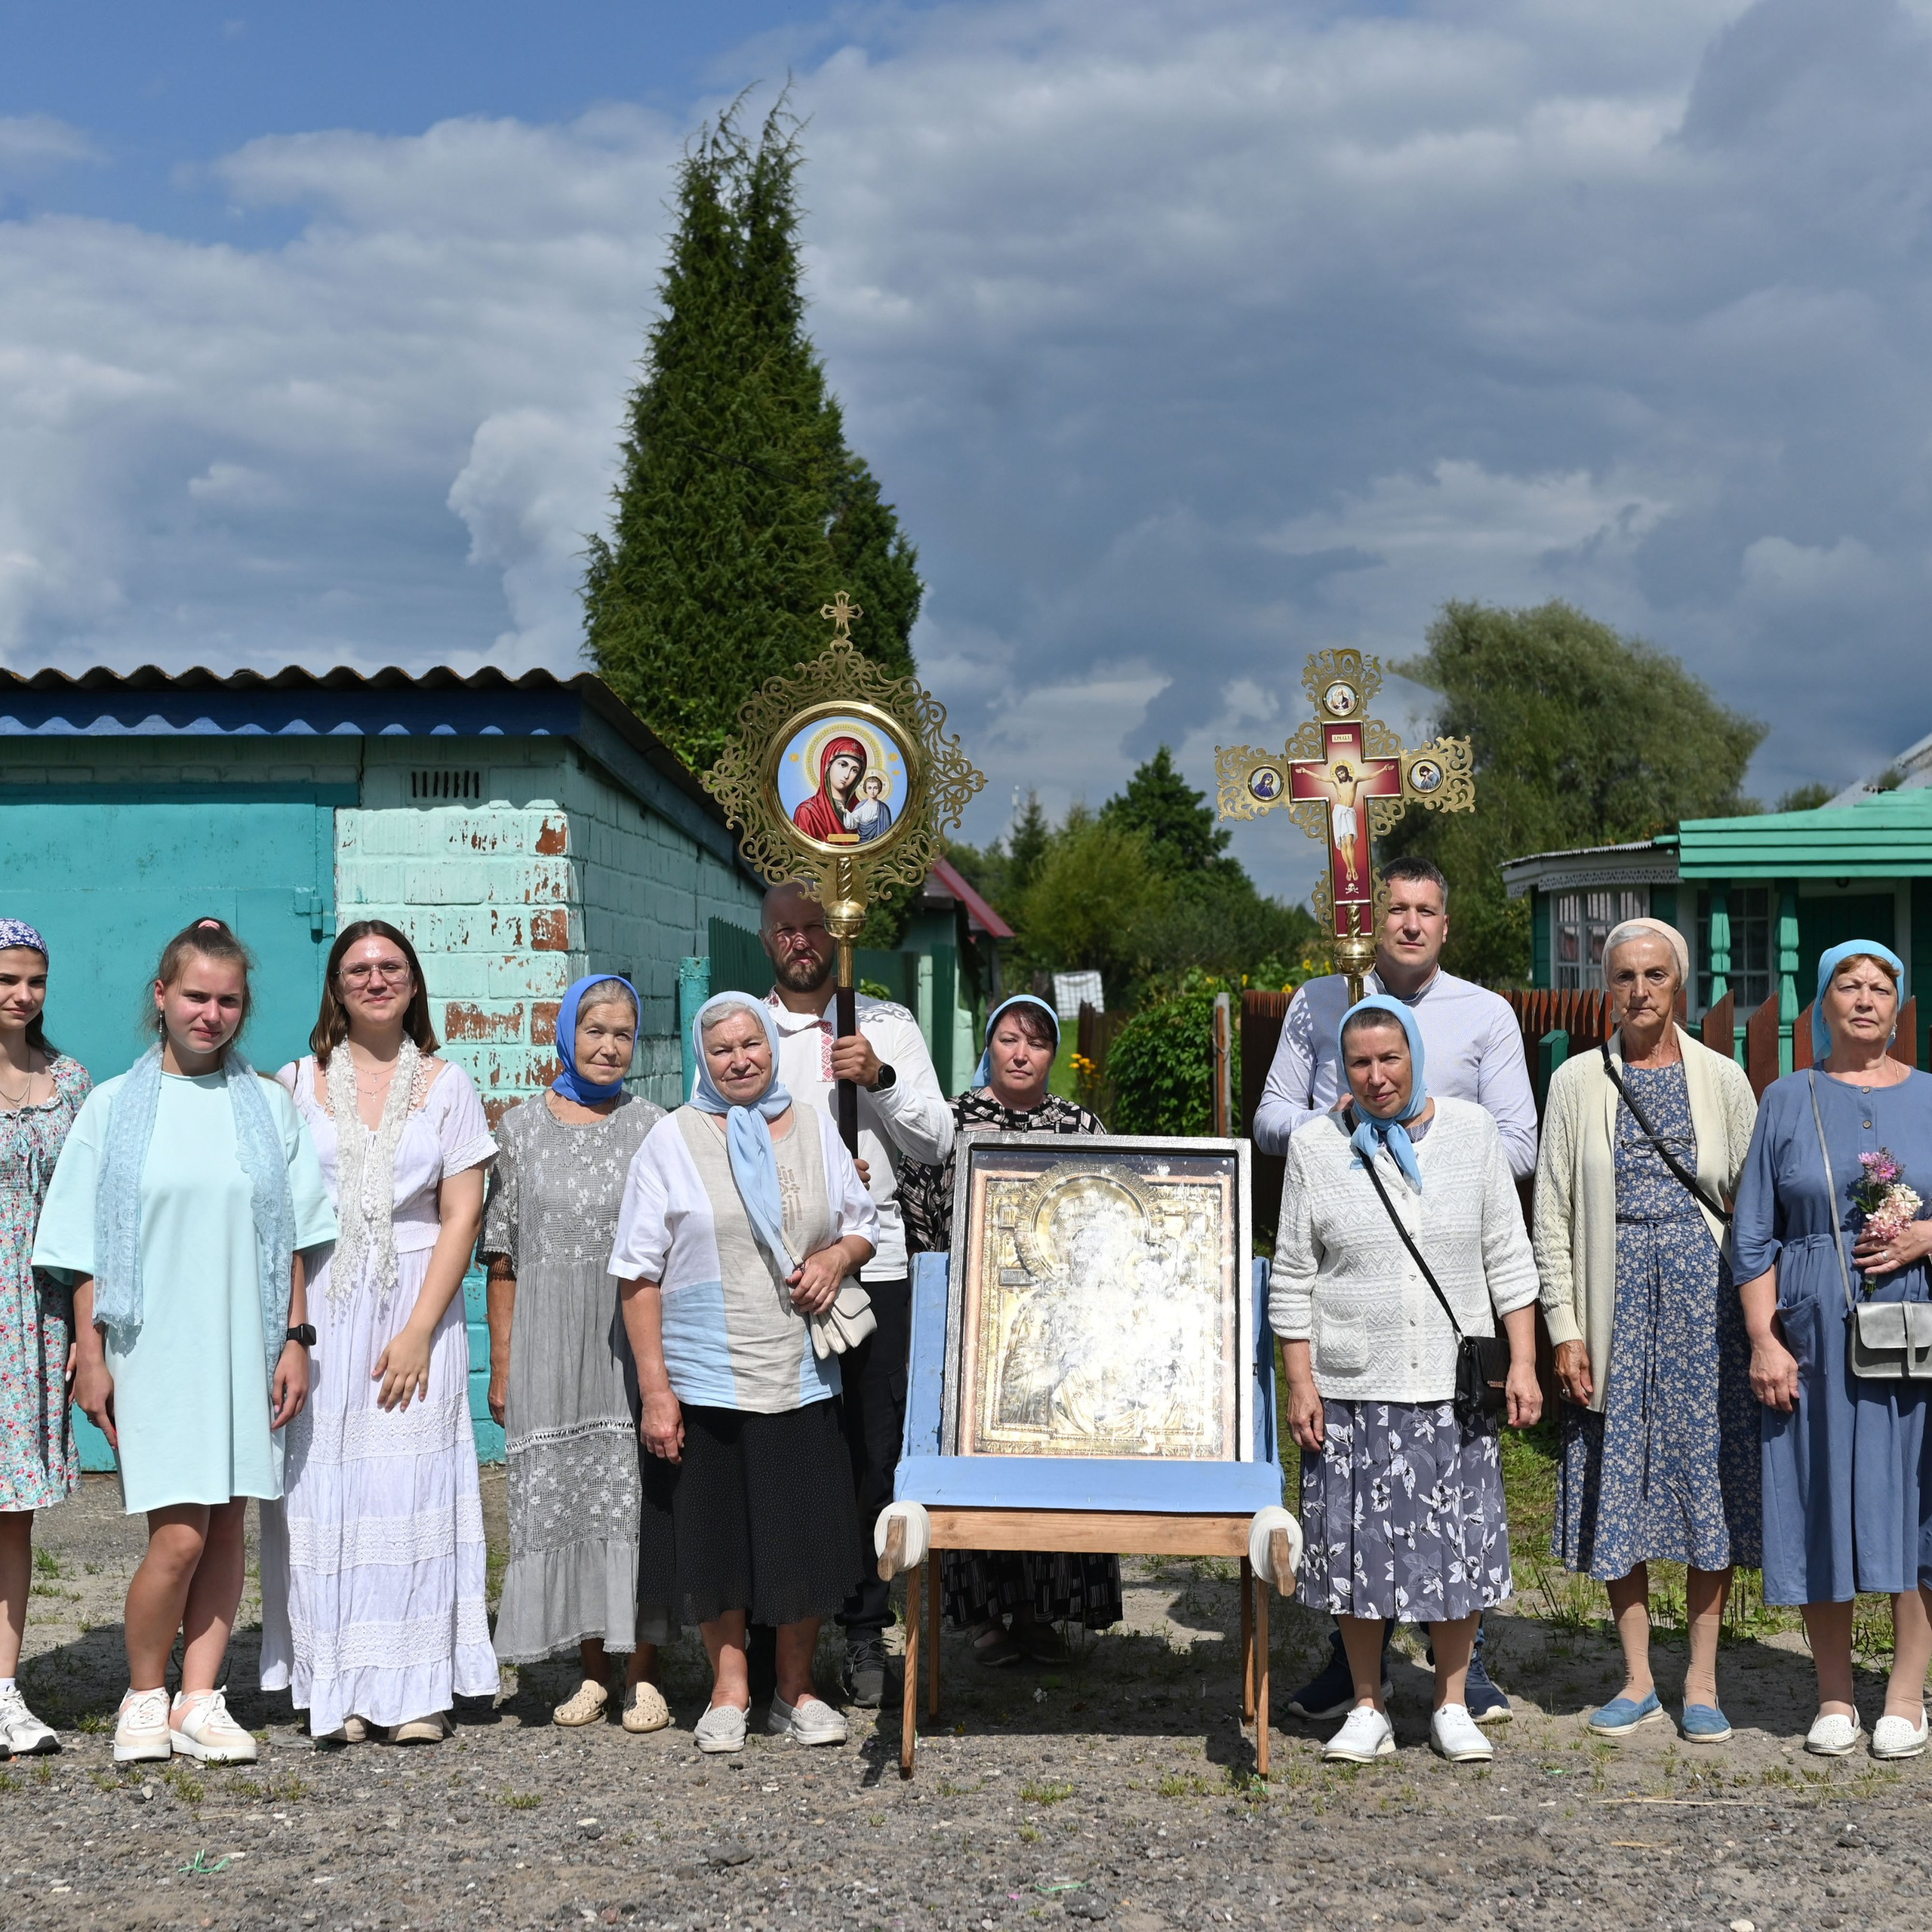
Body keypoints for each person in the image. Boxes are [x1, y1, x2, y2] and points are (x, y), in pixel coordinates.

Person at [33, 918, 334, 1765]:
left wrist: (295, 1339)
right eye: (196, 996)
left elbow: (295, 1238)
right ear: (161, 997)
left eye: (228, 999)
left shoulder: (268, 1107)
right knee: (180, 1534)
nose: (212, 1013)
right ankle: (143, 1694)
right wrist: (91, 1357)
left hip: (246, 1339)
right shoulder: (112, 1108)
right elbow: (80, 1248)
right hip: (151, 1345)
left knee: (229, 1522)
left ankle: (200, 1698)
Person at [1254, 854, 1536, 1724]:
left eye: (1425, 910)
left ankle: (1461, 1677)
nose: (1410, 923)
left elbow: (1518, 1145)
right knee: (1358, 1515)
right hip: (1351, 1255)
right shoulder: (1317, 1001)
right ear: (1370, 919)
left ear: (1444, 924)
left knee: (1453, 1507)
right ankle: (1357, 1675)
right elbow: (1269, 1116)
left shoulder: (1483, 1014)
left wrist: (1441, 1140)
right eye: (1395, 909)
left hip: (1446, 1271)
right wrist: (1343, 1132)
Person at [611, 993, 877, 1755]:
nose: (738, 1059)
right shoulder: (671, 1138)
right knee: (715, 1532)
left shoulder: (815, 1127)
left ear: (770, 1048)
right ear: (703, 1056)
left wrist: (833, 1257)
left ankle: (796, 1689)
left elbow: (862, 1221)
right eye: (721, 1048)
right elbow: (636, 1273)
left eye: (750, 1045)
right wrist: (655, 1389)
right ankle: (730, 1689)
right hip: (704, 1371)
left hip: (796, 1364)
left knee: (799, 1529)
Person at [259, 921, 500, 1746]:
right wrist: (291, 1327)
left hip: (416, 1297)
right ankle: (340, 1687)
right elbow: (283, 1214)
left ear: (414, 981)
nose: (374, 978)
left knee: (410, 1486)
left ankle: (418, 1687)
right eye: (357, 967)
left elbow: (463, 1211)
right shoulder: (295, 1083)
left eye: (390, 965)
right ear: (335, 985)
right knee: (325, 1490)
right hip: (323, 1302)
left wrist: (418, 1329)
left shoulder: (447, 1083)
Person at [1534, 918, 1760, 1741]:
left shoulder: (1723, 1078)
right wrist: (1565, 1325)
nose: (1639, 990)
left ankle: (1700, 1679)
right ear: (1606, 986)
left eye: (1655, 974)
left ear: (1680, 984)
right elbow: (1551, 1213)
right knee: (1615, 1478)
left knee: (1707, 1475)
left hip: (1706, 1304)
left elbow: (1755, 1202)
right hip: (1610, 1295)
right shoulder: (1574, 1083)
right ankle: (1636, 1677)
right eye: (1624, 975)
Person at [1734, 940, 1932, 1760]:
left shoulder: (1929, 1096)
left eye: (1879, 986)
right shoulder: (1787, 1097)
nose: (1863, 998)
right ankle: (1834, 1693)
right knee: (1823, 1499)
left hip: (1916, 1333)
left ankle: (1906, 1696)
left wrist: (1924, 1233)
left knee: (1918, 1508)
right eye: (1846, 985)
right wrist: (1762, 1340)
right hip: (1813, 1335)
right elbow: (1752, 1236)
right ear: (1822, 1002)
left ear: (1897, 1004)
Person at [758, 882, 952, 1707]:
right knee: (792, 1452)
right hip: (778, 1276)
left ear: (838, 932)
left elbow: (936, 1139)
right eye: (786, 930)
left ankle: (866, 1627)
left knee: (874, 1450)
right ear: (767, 938)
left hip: (876, 1267)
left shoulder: (887, 1024)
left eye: (813, 927)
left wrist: (877, 1076)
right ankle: (783, 1623)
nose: (802, 941)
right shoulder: (748, 1028)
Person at [899, 995, 1119, 1664]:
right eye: (1009, 1040)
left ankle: (1040, 1612)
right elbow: (922, 1207)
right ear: (988, 1048)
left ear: (1054, 1054)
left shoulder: (1078, 1125)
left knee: (1049, 1460)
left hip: (1061, 1328)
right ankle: (981, 1617)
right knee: (976, 1463)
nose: (1022, 1054)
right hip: (976, 1325)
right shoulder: (954, 1123)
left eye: (1038, 1043)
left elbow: (1109, 1211)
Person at [482, 974, 670, 1732]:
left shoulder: (654, 1125)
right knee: (565, 1498)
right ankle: (591, 1670)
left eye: (623, 1033)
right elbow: (503, 1258)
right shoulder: (520, 1130)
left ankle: (644, 1674)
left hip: (629, 1343)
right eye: (594, 1029)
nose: (608, 1045)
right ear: (565, 1033)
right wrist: (502, 1365)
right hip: (550, 1345)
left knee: (633, 1497)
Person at [0, 921, 91, 1756]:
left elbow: (81, 1212)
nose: (21, 995)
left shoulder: (68, 1082)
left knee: (13, 1515)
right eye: (6, 979)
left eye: (34, 980)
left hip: (30, 1316)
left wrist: (78, 1322)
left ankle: (3, 1689)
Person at [792, 738, 866, 844]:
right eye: (843, 765)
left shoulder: (862, 810)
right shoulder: (808, 812)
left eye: (854, 770)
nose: (847, 775)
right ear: (828, 765)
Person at [849, 774, 894, 844]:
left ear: (879, 789)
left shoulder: (884, 808)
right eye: (869, 788)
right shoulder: (861, 806)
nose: (872, 791)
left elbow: (887, 832)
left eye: (875, 788)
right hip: (861, 844)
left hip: (879, 845)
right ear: (865, 789)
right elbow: (851, 822)